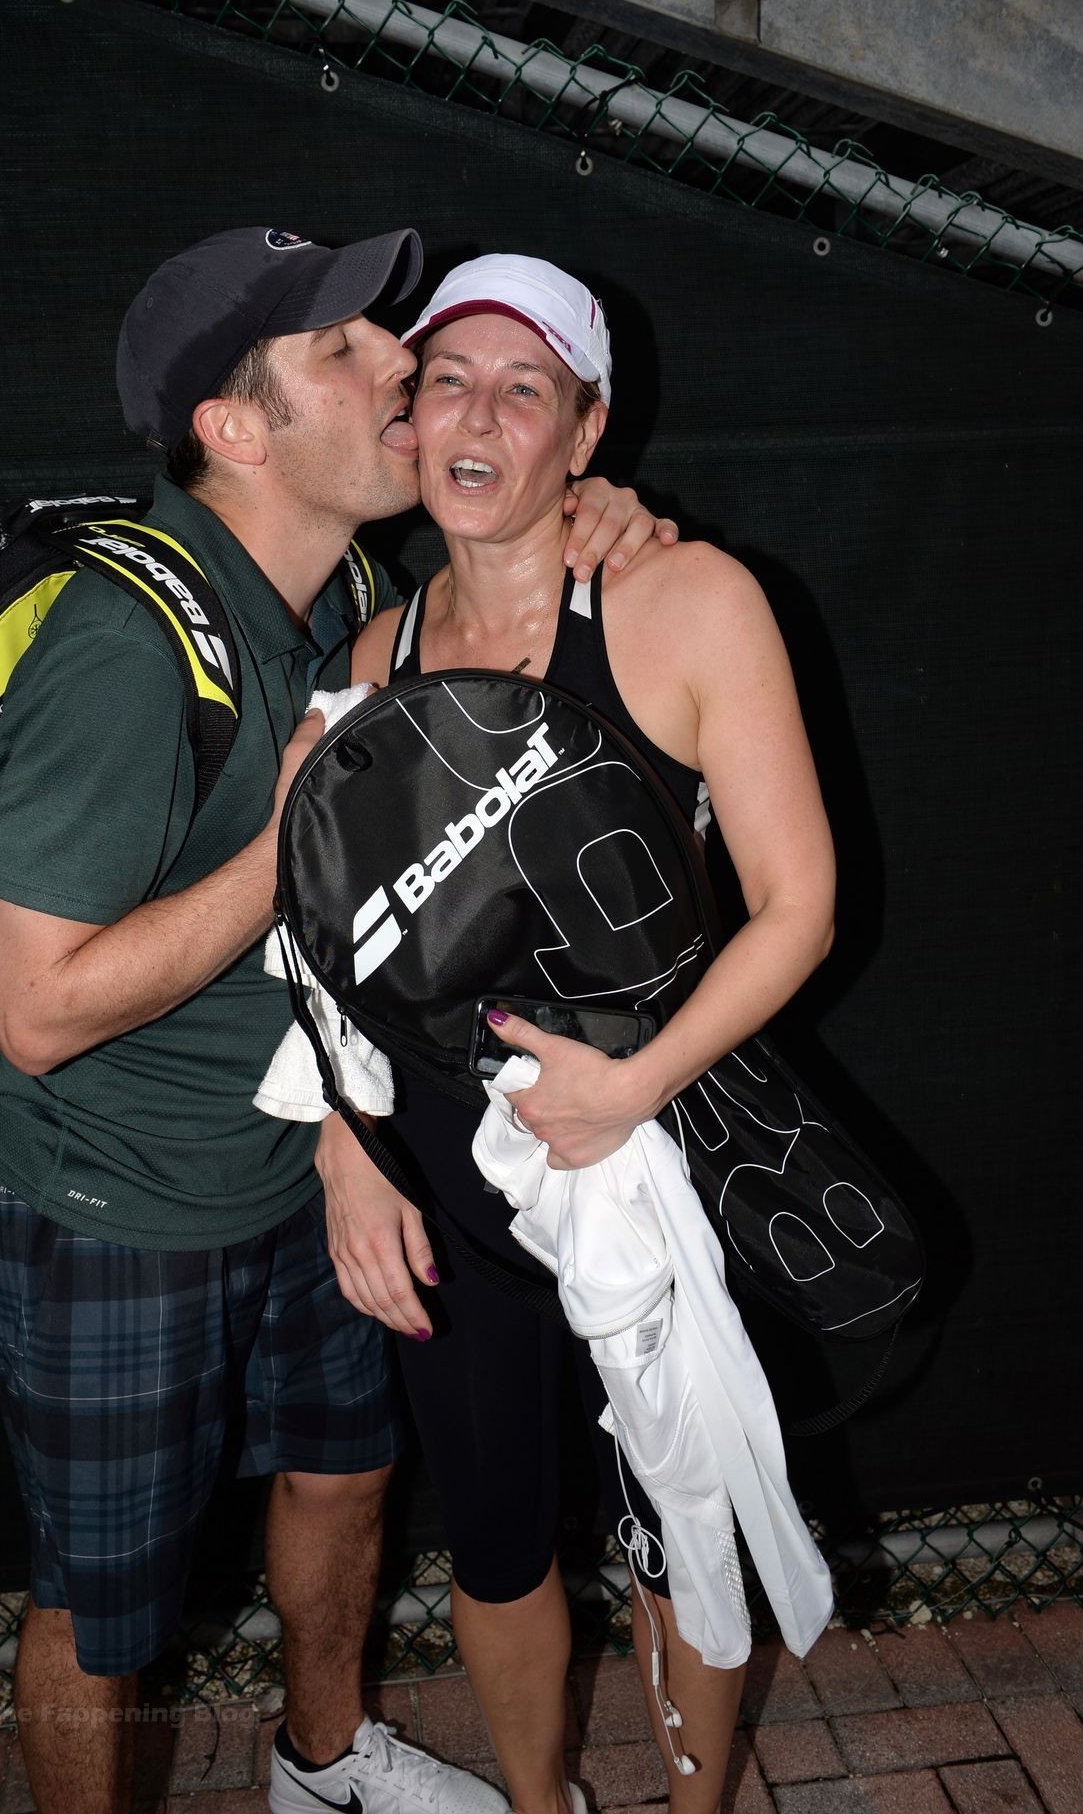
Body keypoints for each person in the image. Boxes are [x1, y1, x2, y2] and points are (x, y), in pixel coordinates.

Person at [0, 224, 675, 1814]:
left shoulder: (344, 590)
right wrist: (287, 834)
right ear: (234, 427)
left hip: (307, 1168)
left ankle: (325, 1761)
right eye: (344, 354)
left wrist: (596, 510)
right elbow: (35, 1013)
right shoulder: (120, 646)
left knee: (346, 1482)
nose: (401, 370)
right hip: (113, 1202)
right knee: (103, 1611)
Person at [318, 255, 837, 1814]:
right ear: (410, 423)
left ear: (585, 431)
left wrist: (635, 1085)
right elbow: (328, 951)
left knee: (679, 1524)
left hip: (655, 1147)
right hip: (446, 1176)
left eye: (524, 389)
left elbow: (797, 906)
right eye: (448, 384)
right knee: (491, 1535)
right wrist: (346, 1147)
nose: (478, 418)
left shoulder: (685, 602)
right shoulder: (370, 664)